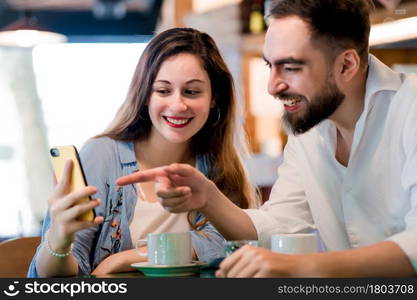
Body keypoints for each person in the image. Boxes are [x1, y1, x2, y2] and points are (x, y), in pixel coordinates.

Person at [117, 0, 417, 277]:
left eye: (290, 67)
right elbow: (280, 225)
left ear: (346, 65)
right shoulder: (309, 128)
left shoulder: (410, 109)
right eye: (269, 66)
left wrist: (299, 266)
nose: (273, 86)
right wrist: (208, 198)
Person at [28, 27, 257, 277]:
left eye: (192, 91)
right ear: (145, 94)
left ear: (214, 98)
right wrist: (59, 241)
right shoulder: (103, 156)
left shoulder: (220, 164)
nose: (178, 105)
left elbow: (236, 246)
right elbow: (60, 277)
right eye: (163, 90)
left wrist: (126, 258)